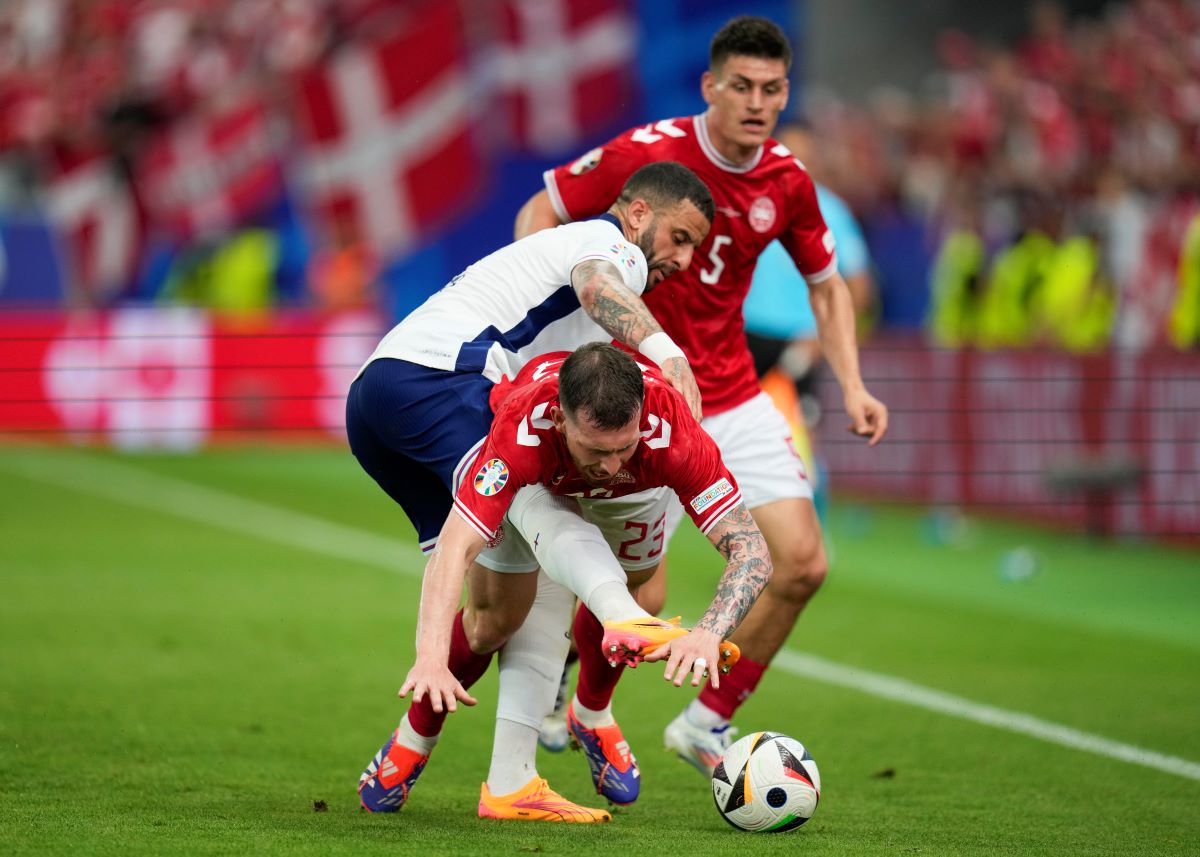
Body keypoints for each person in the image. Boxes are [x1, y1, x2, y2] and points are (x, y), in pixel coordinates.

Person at [514, 15, 889, 779]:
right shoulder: (647, 152)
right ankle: (570, 686)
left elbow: (830, 287)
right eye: (742, 86)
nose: (757, 102)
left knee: (804, 564)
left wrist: (851, 381)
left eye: (772, 89)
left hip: (731, 393)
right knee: (632, 587)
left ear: (786, 93)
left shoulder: (787, 180)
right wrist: (539, 328)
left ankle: (705, 721)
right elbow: (546, 208)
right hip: (634, 394)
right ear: (710, 86)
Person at [348, 163, 715, 819]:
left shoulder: (571, 274)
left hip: (382, 399)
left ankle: (409, 745)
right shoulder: (610, 251)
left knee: (493, 616)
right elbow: (601, 284)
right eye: (680, 237)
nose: (683, 260)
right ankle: (516, 777)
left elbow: (456, 549)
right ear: (635, 214)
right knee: (549, 533)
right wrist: (667, 350)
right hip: (442, 384)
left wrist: (432, 653)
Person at [360, 344, 772, 820]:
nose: (612, 464)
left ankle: (591, 712)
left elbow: (753, 553)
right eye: (597, 449)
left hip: (641, 493)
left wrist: (708, 633)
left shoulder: (672, 436)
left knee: (640, 595)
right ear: (559, 418)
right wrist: (429, 660)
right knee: (491, 624)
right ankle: (414, 738)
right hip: (541, 482)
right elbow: (454, 548)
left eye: (625, 445)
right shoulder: (522, 430)